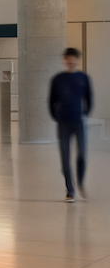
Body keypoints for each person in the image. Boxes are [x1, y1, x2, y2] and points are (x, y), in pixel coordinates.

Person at [51, 48, 92, 202]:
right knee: (65, 158)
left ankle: (80, 182)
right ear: (64, 60)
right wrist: (56, 115)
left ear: (76, 60)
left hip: (78, 122)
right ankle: (70, 189)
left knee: (81, 154)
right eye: (67, 59)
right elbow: (52, 100)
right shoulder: (58, 79)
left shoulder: (83, 78)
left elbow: (89, 97)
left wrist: (85, 112)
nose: (70, 61)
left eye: (73, 58)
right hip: (63, 123)